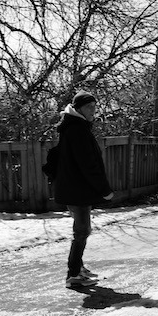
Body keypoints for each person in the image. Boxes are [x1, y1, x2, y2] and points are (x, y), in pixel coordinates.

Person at [53, 91, 113, 288]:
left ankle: (78, 267)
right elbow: (88, 164)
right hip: (76, 188)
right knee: (82, 231)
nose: (93, 111)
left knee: (81, 230)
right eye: (89, 107)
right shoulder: (76, 129)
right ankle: (73, 274)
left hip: (75, 187)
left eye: (95, 107)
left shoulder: (75, 126)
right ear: (78, 108)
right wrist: (104, 189)